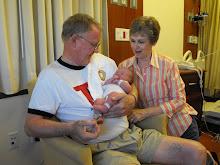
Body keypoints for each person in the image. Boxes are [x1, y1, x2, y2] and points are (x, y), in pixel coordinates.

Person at [24, 13, 208, 165]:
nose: (97, 50)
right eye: (94, 44)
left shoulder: (105, 62)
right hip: (100, 147)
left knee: (198, 153)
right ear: (74, 40)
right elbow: (31, 126)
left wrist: (132, 99)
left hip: (133, 135)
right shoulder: (50, 77)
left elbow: (129, 85)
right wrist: (71, 128)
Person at [119, 16, 218, 164]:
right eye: (132, 41)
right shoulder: (125, 67)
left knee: (197, 158)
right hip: (154, 129)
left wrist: (144, 112)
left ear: (153, 42)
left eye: (141, 42)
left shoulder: (168, 65)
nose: (135, 47)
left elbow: (179, 100)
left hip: (181, 124)